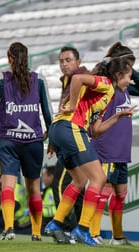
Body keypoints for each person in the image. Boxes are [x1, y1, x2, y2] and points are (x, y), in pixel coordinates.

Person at [44, 55, 136, 246]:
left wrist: (118, 116)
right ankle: (83, 229)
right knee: (99, 179)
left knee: (79, 180)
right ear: (118, 75)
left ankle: (56, 223)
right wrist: (72, 104)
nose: (130, 81)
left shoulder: (106, 95)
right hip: (71, 128)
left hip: (60, 129)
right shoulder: (105, 84)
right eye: (128, 76)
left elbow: (95, 130)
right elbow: (77, 79)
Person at [0, 42, 53, 241]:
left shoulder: (0, 79)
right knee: (34, 187)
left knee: (7, 186)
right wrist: (52, 138)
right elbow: (48, 112)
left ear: (9, 59)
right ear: (27, 58)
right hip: (33, 142)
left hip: (8, 141)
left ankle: (9, 228)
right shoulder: (39, 80)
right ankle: (37, 233)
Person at [89, 41, 139, 245]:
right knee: (102, 191)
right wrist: (111, 63)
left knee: (120, 193)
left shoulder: (125, 89)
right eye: (128, 68)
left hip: (122, 149)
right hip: (107, 148)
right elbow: (93, 76)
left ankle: (117, 236)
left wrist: (130, 69)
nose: (131, 73)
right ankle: (93, 233)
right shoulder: (105, 87)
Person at [50, 46, 88, 233]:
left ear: (78, 62)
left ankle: (63, 227)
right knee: (80, 183)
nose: (64, 64)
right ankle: (82, 229)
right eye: (61, 61)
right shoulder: (68, 80)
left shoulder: (81, 77)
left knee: (62, 183)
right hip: (70, 134)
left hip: (73, 135)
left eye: (68, 60)